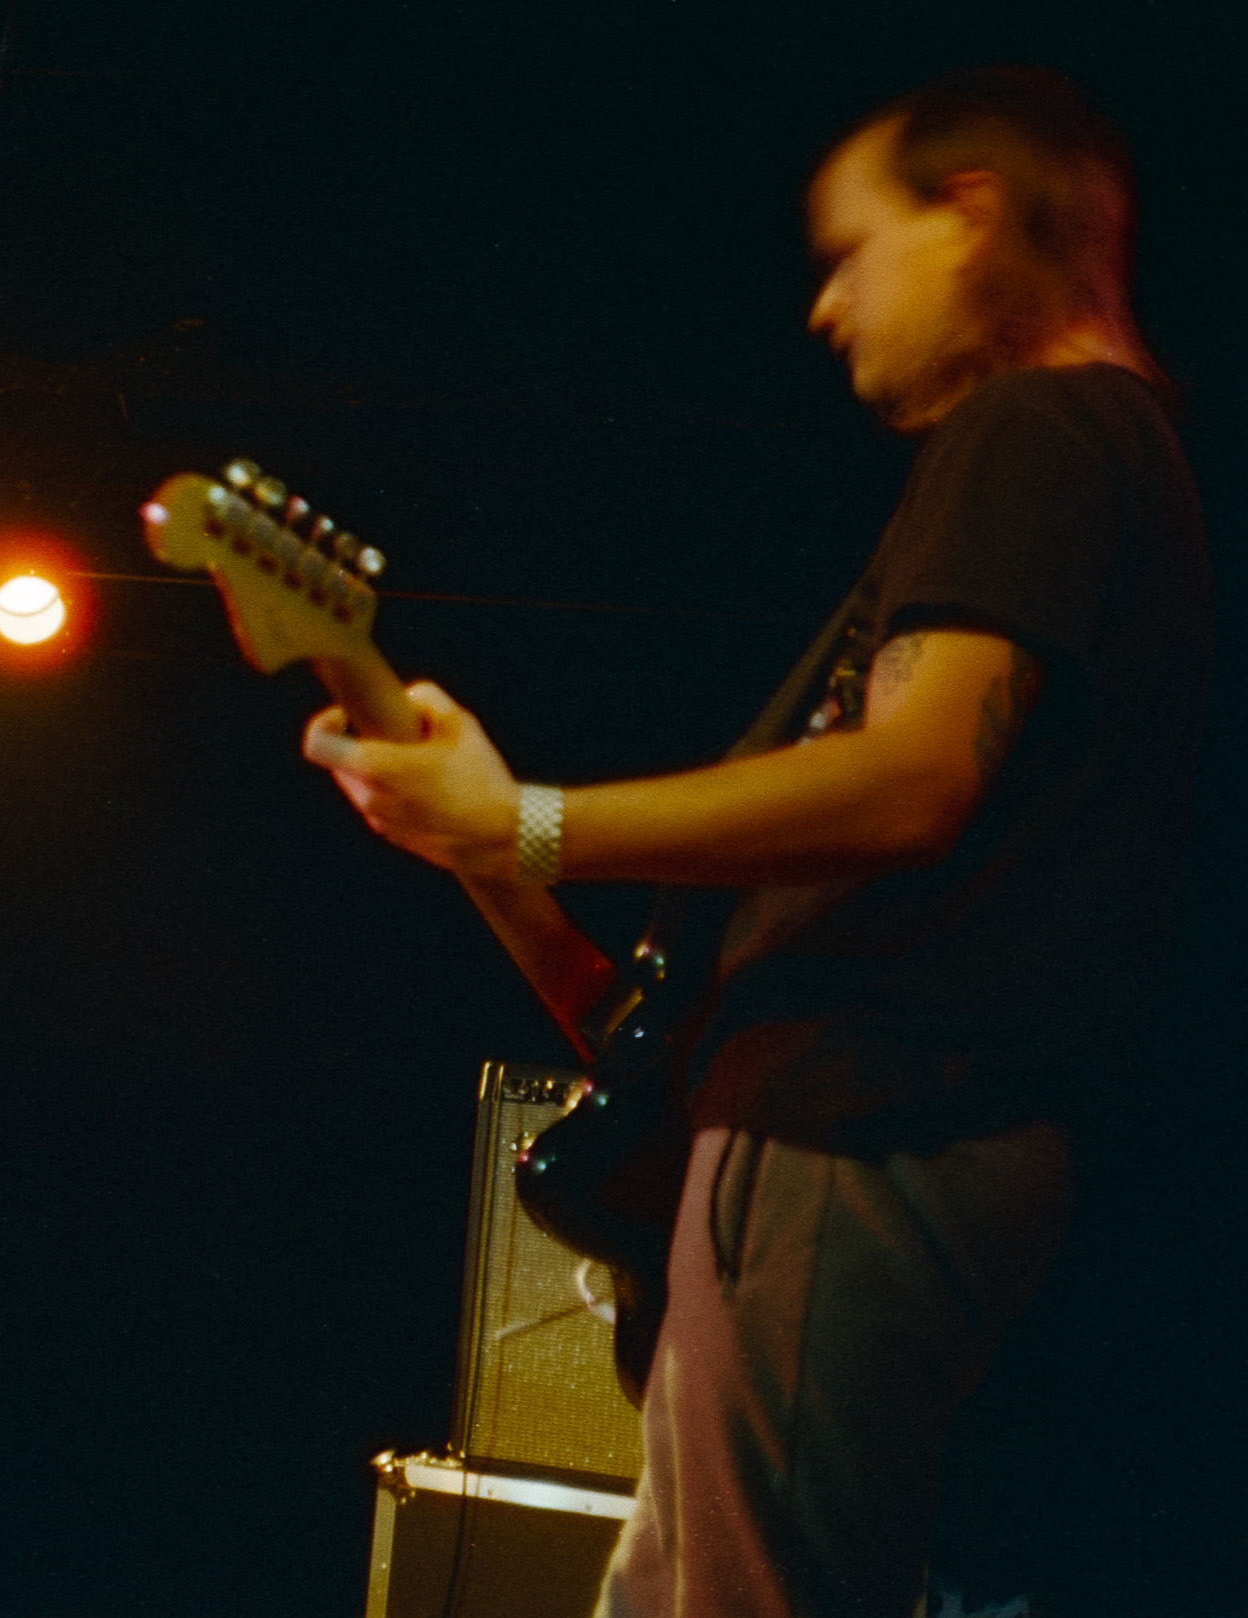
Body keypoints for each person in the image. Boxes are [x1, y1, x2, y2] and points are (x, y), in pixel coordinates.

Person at [302, 67, 1209, 1618]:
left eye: (852, 250)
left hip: (857, 1133)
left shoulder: (1037, 428)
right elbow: (682, 1002)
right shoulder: (1114, 469)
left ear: (971, 213)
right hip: (863, 1132)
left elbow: (914, 777)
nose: (824, 307)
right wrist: (479, 841)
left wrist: (527, 817)